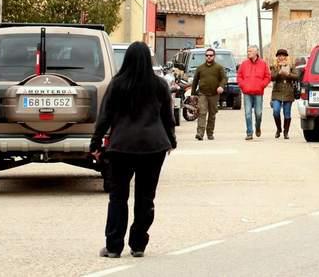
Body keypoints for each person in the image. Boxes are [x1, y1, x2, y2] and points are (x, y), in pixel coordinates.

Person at [91, 41, 176, 258]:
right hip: (153, 147)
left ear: (126, 59)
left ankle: (113, 246)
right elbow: (168, 117)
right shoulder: (159, 86)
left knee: (118, 197)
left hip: (122, 147)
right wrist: (171, 141)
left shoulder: (117, 84)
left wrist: (96, 143)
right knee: (146, 198)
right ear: (148, 60)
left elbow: (104, 117)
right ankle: (138, 244)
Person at [236, 45, 271, 140]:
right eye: (248, 51)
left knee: (258, 113)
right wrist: (243, 85)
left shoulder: (263, 64)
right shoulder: (244, 64)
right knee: (247, 113)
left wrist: (261, 85)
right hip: (247, 92)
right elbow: (239, 76)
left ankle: (258, 126)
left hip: (258, 92)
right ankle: (249, 132)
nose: (248, 53)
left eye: (250, 51)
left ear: (256, 52)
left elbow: (267, 77)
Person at [191, 48, 226, 141]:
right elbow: (195, 81)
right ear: (205, 56)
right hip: (203, 94)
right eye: (207, 55)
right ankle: (200, 133)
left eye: (210, 55)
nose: (208, 57)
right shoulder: (200, 68)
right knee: (202, 113)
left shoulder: (219, 67)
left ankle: (210, 133)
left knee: (212, 114)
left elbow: (224, 78)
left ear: (214, 56)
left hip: (214, 94)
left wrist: (221, 86)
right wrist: (193, 93)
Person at [270, 49, 299, 139]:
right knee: (276, 111)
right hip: (277, 92)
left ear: (286, 57)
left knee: (287, 114)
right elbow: (271, 77)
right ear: (277, 57)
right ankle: (279, 129)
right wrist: (279, 72)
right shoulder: (274, 66)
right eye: (279, 56)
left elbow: (297, 76)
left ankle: (286, 132)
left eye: (283, 56)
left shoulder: (291, 66)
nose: (281, 57)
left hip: (288, 92)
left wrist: (288, 74)